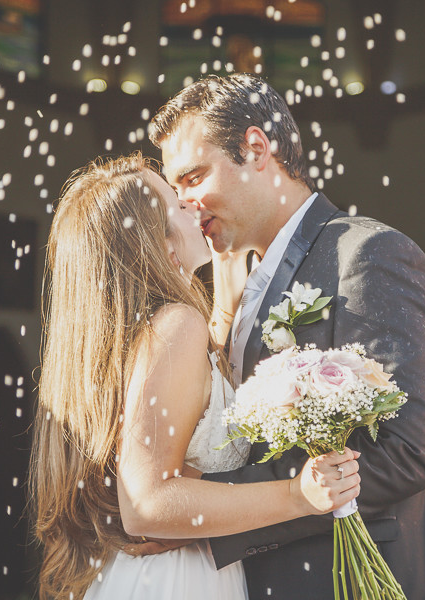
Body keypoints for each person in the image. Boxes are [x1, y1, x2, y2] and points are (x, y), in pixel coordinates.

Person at [147, 73, 425, 600]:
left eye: (192, 177)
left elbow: (402, 452)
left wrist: (207, 517)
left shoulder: (367, 256)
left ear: (256, 149)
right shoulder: (234, 286)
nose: (184, 203)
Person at [29, 152, 361, 600]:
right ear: (157, 243)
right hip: (180, 581)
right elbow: (147, 505)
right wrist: (297, 495)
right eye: (174, 201)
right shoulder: (176, 326)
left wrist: (225, 297)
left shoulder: (131, 339)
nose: (191, 202)